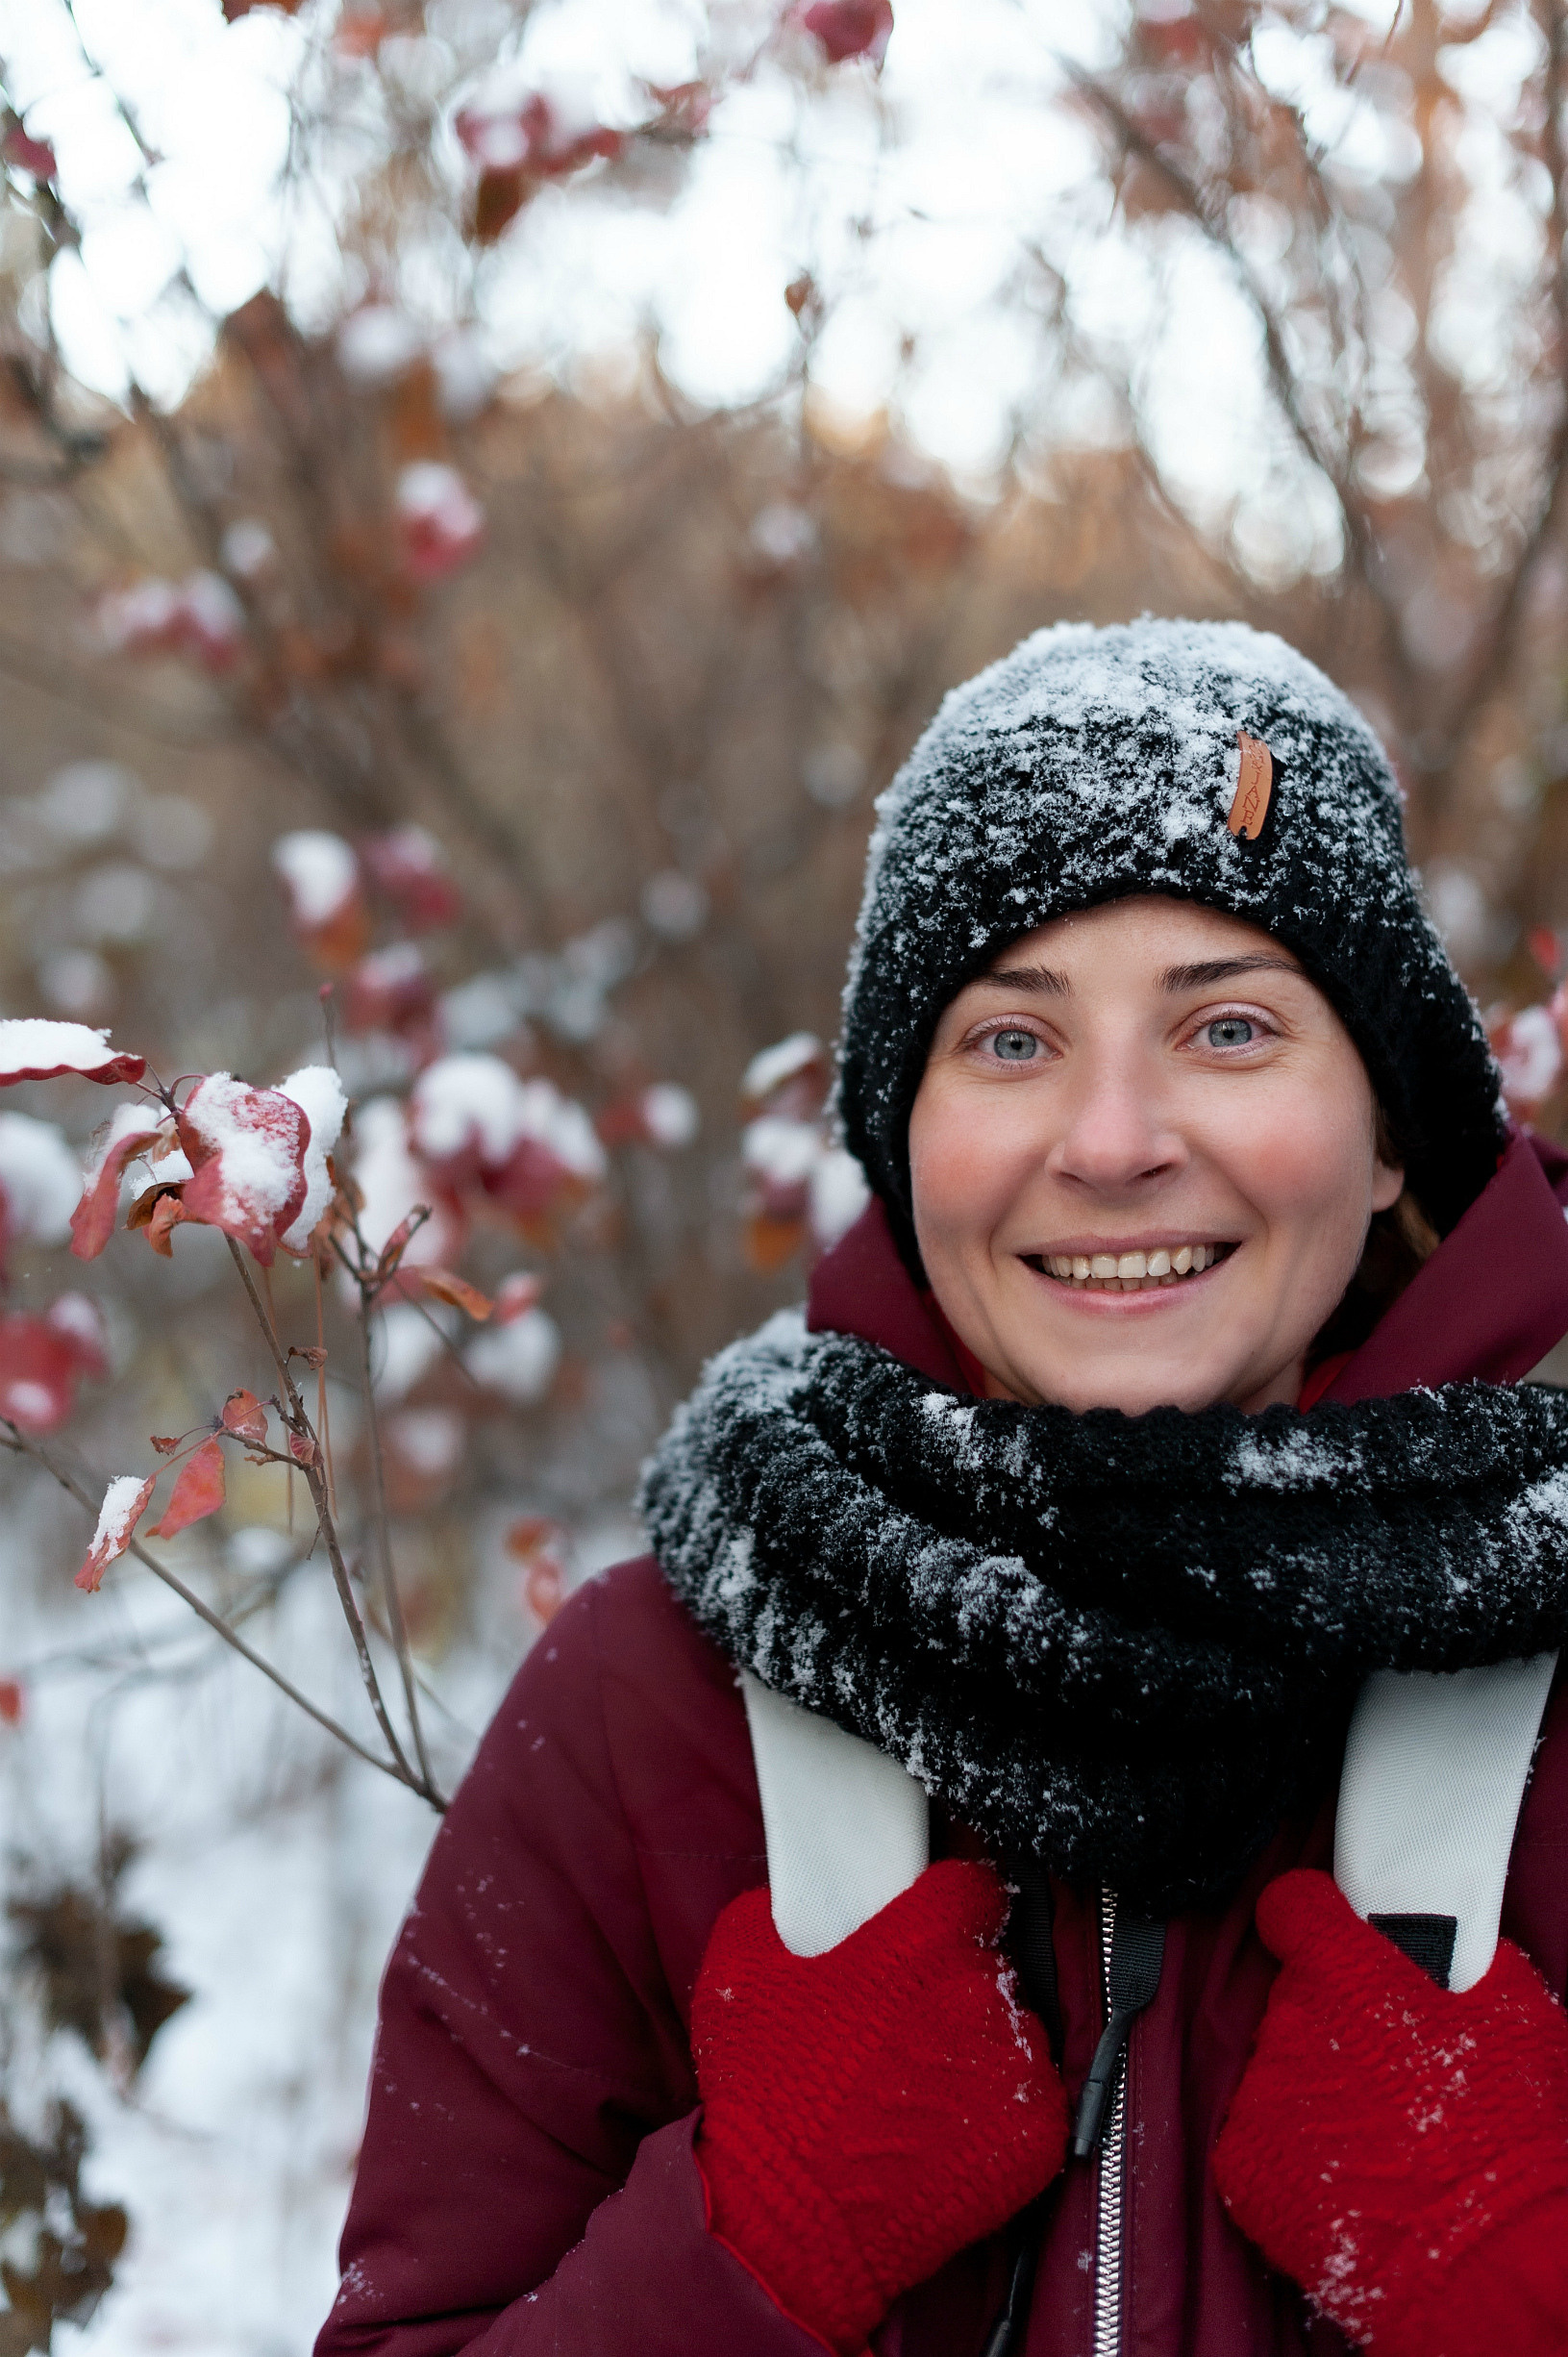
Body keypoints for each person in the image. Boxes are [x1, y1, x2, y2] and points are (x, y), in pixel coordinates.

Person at [315, 619, 1568, 2357]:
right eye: (1010, 1041)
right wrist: (763, 2240)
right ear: (904, 1144)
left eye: (1227, 1027)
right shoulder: (649, 1703)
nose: (1112, 1142)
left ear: (1391, 1134)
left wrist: (1518, 2275)